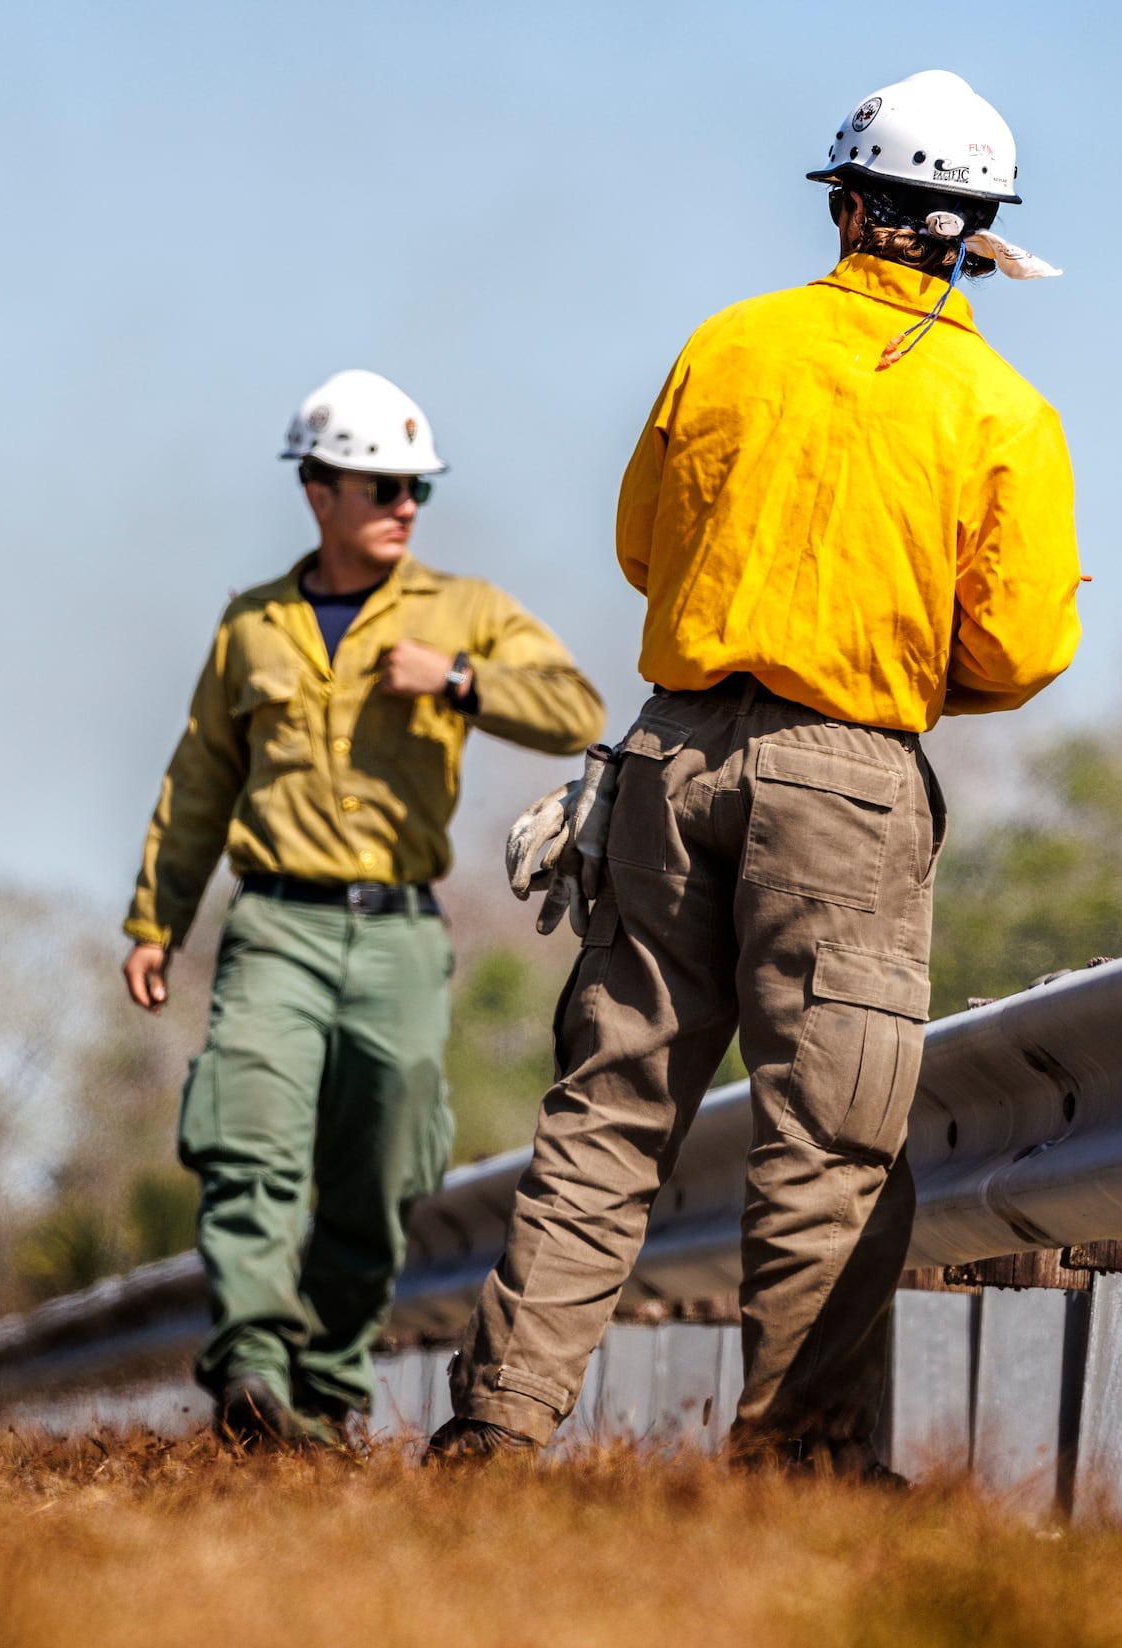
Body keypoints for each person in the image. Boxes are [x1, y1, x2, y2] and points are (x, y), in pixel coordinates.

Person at [430, 70, 1083, 1470]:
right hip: (849, 777)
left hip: (668, 756)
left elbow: (643, 552)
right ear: (974, 233)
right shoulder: (1002, 410)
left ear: (848, 205)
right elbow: (1022, 651)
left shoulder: (727, 347)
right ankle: (799, 1468)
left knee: (609, 1112)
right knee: (829, 1138)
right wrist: (889, 675)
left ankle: (492, 1430)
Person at [122, 369, 605, 1446]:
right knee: (246, 1141)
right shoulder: (251, 626)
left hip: (397, 933)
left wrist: (461, 680)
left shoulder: (460, 612)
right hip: (274, 927)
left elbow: (577, 706)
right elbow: (200, 778)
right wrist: (155, 918)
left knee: (379, 1167)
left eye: (415, 491)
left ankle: (328, 1388)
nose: (403, 509)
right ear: (318, 491)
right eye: (381, 488)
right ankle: (252, 1364)